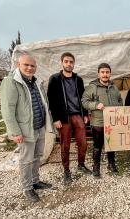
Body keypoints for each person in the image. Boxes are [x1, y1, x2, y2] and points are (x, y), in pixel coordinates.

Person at [0, 54, 52, 203]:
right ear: (18, 65)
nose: (29, 68)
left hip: (39, 126)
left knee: (37, 156)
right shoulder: (11, 82)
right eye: (26, 65)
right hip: (25, 130)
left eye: (32, 66)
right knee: (26, 160)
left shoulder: (36, 82)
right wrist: (15, 132)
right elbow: (8, 110)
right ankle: (27, 188)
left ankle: (35, 181)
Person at [47, 52, 91, 184]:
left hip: (78, 115)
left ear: (74, 64)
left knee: (82, 143)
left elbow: (83, 98)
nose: (69, 64)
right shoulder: (54, 79)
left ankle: (81, 164)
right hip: (63, 117)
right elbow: (51, 100)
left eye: (71, 62)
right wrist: (55, 118)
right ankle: (66, 170)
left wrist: (85, 114)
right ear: (62, 63)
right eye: (66, 61)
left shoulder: (79, 79)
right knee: (65, 145)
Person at [82, 63, 123, 178]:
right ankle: (96, 168)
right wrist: (95, 105)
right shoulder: (92, 87)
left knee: (112, 144)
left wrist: (119, 108)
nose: (105, 75)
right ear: (98, 73)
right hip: (98, 123)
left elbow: (120, 100)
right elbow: (84, 102)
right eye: (103, 72)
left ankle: (111, 164)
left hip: (112, 122)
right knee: (97, 146)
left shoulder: (114, 87)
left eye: (107, 72)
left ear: (110, 73)